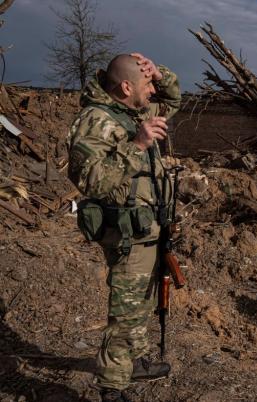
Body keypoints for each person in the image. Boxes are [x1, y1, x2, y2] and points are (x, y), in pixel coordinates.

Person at [67, 53, 181, 402]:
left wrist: (161, 73)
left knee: (143, 303)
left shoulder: (135, 111)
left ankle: (136, 360)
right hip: (127, 233)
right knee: (125, 314)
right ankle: (112, 388)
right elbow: (91, 181)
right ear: (126, 87)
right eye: (147, 84)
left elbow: (173, 100)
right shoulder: (95, 121)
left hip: (150, 228)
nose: (153, 91)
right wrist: (138, 145)